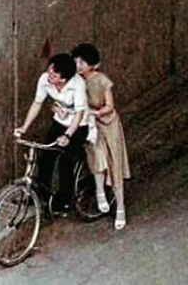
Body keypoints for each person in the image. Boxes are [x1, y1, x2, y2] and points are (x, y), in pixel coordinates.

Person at [14, 52, 88, 213]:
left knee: (66, 162)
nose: (49, 76)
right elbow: (37, 103)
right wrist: (24, 127)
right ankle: (40, 196)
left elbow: (79, 114)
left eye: (53, 75)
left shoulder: (78, 84)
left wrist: (68, 135)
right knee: (46, 157)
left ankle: (65, 202)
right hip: (59, 122)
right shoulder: (44, 80)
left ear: (63, 79)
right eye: (49, 71)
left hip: (78, 126)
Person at [72, 43, 131, 231]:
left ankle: (120, 208)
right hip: (91, 126)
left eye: (82, 62)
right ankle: (100, 192)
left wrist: (94, 113)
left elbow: (109, 106)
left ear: (93, 64)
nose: (79, 65)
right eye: (77, 61)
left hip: (108, 124)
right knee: (95, 156)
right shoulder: (76, 81)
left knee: (115, 165)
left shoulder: (102, 80)